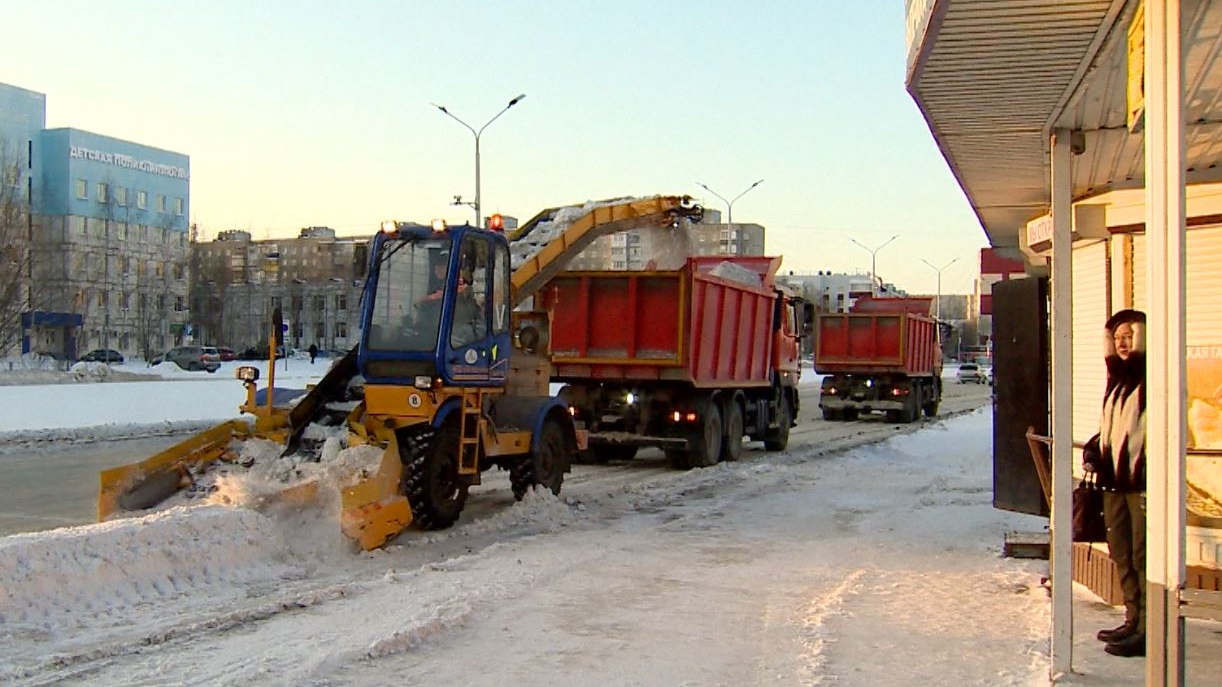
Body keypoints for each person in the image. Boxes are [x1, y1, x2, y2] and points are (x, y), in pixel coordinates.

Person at [1083, 309, 1147, 658]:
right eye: (1117, 337)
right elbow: (1111, 428)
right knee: (1121, 551)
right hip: (1113, 483)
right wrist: (1095, 451)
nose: (1123, 343)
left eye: (1129, 336)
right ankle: (1132, 618)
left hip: (1139, 484)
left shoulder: (1150, 380)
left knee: (1142, 554)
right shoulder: (1117, 381)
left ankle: (1149, 626)